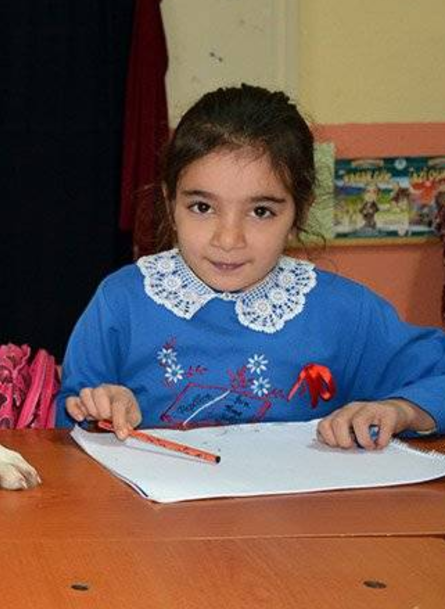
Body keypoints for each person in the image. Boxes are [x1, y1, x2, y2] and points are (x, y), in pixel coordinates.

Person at [57, 84, 442, 450]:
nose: (228, 239)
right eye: (202, 207)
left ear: (299, 213)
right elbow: (68, 417)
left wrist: (401, 410)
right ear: (170, 203)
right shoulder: (121, 301)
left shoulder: (348, 313)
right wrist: (99, 408)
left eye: (260, 211)